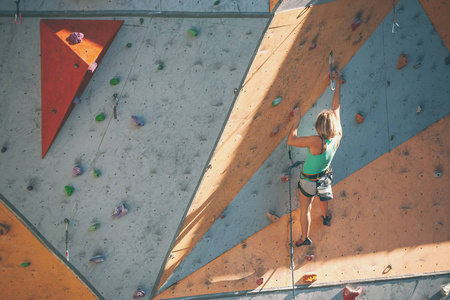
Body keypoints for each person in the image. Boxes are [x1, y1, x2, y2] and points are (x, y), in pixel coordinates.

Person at [287, 70, 343, 247]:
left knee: (306, 209)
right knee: (323, 199)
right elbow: (336, 108)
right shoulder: (338, 136)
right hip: (325, 177)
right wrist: (338, 83)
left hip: (308, 182)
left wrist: (297, 120)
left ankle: (304, 238)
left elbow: (291, 140)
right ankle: (326, 217)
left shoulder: (315, 141)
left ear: (318, 126)